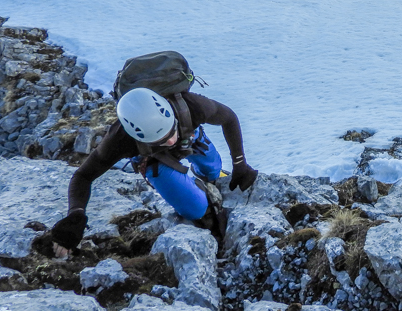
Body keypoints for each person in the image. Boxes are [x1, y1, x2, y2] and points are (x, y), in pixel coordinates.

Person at [50, 88, 257, 257]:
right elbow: (83, 176)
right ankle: (194, 189)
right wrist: (75, 215)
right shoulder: (119, 140)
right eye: (161, 139)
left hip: (189, 134)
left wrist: (240, 164)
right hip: (153, 160)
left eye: (170, 131)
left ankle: (206, 174)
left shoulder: (190, 105)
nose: (170, 141)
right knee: (195, 209)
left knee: (213, 166)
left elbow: (229, 118)